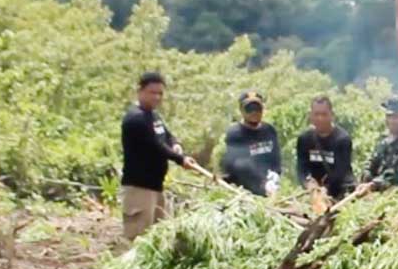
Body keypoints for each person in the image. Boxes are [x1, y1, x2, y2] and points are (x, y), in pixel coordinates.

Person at [119, 71, 200, 240]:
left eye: (160, 94)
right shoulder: (135, 119)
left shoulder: (153, 115)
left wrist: (177, 145)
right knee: (138, 240)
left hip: (156, 187)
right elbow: (156, 146)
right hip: (139, 189)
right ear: (140, 91)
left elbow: (167, 136)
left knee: (158, 239)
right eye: (152, 93)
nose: (157, 97)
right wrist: (181, 160)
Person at [220, 91, 282, 197]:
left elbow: (276, 159)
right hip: (242, 191)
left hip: (270, 187)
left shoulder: (269, 130)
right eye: (249, 109)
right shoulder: (235, 133)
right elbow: (239, 166)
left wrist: (274, 177)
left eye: (257, 108)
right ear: (241, 110)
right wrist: (262, 183)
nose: (254, 112)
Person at [295, 96, 354, 198]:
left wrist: (324, 190)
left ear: (332, 115)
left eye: (324, 114)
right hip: (312, 192)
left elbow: (340, 172)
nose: (320, 118)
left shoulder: (342, 139)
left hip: (339, 192)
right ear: (310, 116)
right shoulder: (304, 139)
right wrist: (308, 183)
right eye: (316, 114)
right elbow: (302, 168)